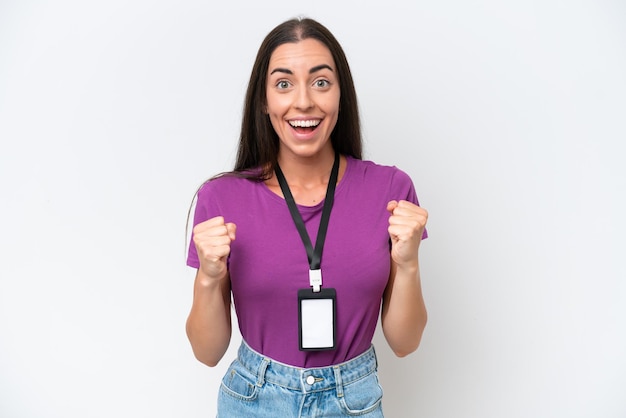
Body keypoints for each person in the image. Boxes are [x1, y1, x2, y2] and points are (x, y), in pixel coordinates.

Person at [186, 17, 428, 417]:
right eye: (284, 84)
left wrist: (408, 263)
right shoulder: (221, 197)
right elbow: (206, 352)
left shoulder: (389, 191)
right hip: (253, 400)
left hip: (354, 401)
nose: (303, 102)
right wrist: (210, 277)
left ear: (340, 95)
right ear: (264, 100)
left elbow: (405, 342)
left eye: (320, 82)